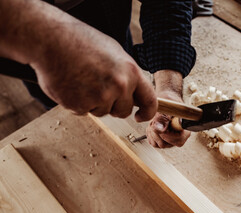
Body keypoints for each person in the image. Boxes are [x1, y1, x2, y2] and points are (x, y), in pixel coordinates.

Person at [0, 0, 196, 148]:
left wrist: (168, 85)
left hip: (105, 11)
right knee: (61, 110)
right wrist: (48, 40)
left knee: (115, 85)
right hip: (16, 32)